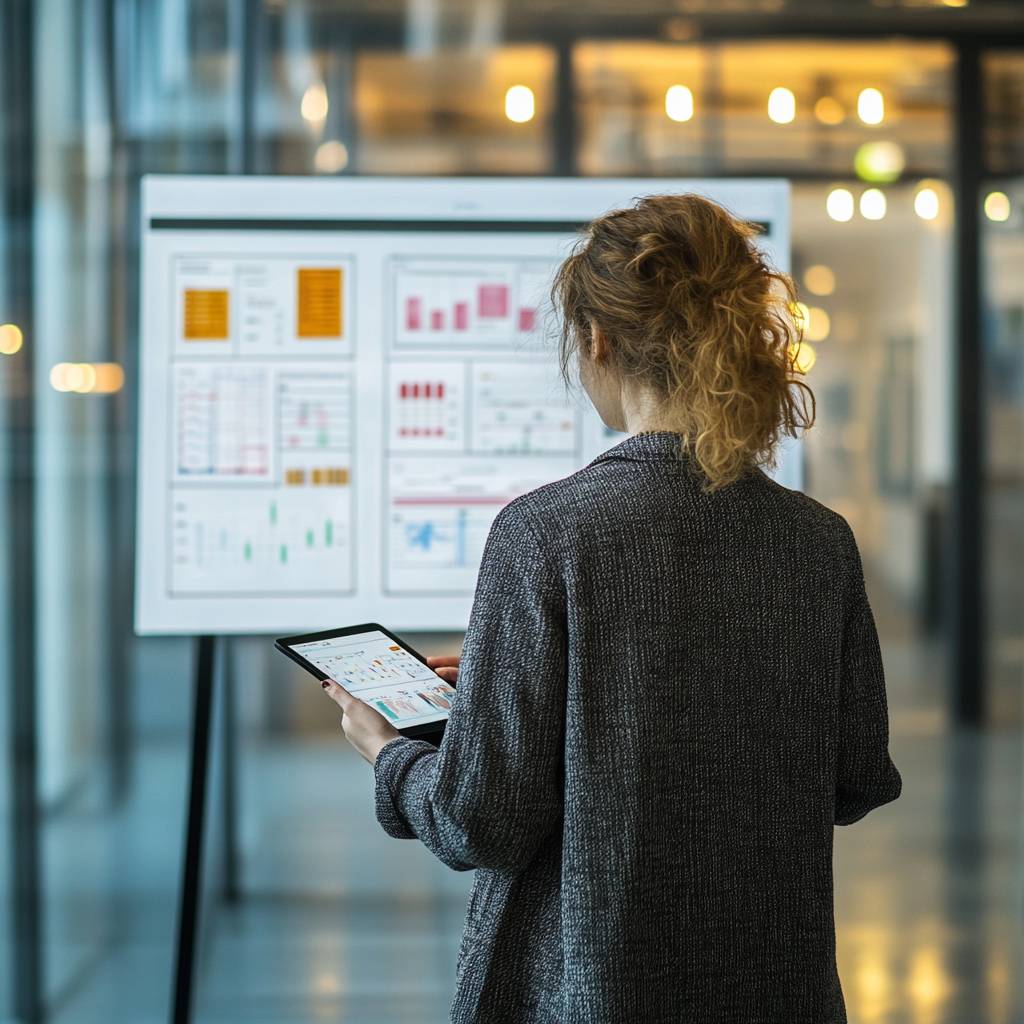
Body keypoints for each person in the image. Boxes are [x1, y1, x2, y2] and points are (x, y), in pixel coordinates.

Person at [321, 193, 902, 1023]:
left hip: (587, 995)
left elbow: (480, 821)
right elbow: (855, 778)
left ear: (596, 339)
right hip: (779, 992)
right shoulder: (819, 541)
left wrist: (389, 752)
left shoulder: (546, 535)